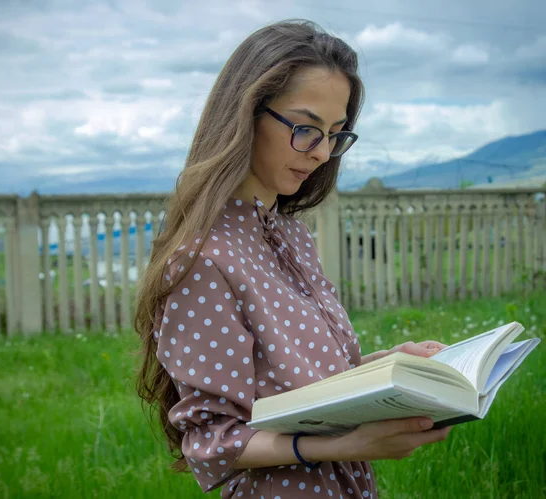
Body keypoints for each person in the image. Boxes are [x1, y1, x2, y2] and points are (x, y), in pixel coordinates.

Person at [134, 19, 452, 498]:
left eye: (336, 134)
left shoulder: (290, 236)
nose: (322, 153)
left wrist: (386, 368)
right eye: (305, 128)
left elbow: (296, 387)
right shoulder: (204, 259)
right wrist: (346, 444)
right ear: (245, 115)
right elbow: (212, 439)